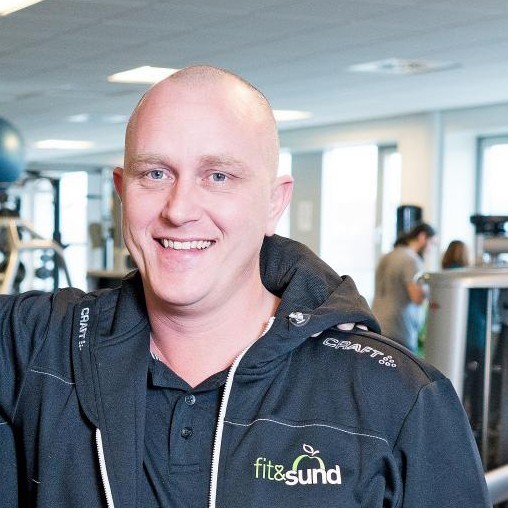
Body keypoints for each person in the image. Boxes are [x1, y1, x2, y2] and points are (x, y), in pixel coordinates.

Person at [0, 66, 490, 507]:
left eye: (218, 176)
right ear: (122, 191)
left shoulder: (397, 398)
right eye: (155, 173)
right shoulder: (36, 345)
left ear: (274, 202)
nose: (179, 209)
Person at [372, 222, 436, 353]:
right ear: (422, 237)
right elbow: (416, 297)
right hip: (398, 331)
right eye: (431, 243)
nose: (431, 249)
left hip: (377, 324)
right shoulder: (411, 260)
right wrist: (431, 289)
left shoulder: (387, 256)